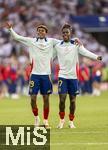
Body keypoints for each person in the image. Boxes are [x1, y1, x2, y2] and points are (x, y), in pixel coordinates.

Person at [5, 22, 60, 128]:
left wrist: (74, 41)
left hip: (46, 75)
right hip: (34, 75)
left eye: (42, 31)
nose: (40, 32)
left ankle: (45, 121)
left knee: (46, 99)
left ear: (46, 33)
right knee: (33, 98)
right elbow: (17, 37)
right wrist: (10, 29)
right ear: (37, 32)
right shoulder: (31, 41)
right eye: (39, 30)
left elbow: (63, 43)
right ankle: (36, 118)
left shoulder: (52, 41)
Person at [54, 23, 102, 129]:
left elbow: (85, 52)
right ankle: (61, 120)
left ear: (70, 34)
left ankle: (71, 121)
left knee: (72, 100)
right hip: (62, 76)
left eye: (67, 32)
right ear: (61, 34)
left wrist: (96, 57)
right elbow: (50, 57)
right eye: (63, 33)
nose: (65, 34)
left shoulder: (76, 45)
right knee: (62, 99)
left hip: (73, 77)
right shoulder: (58, 46)